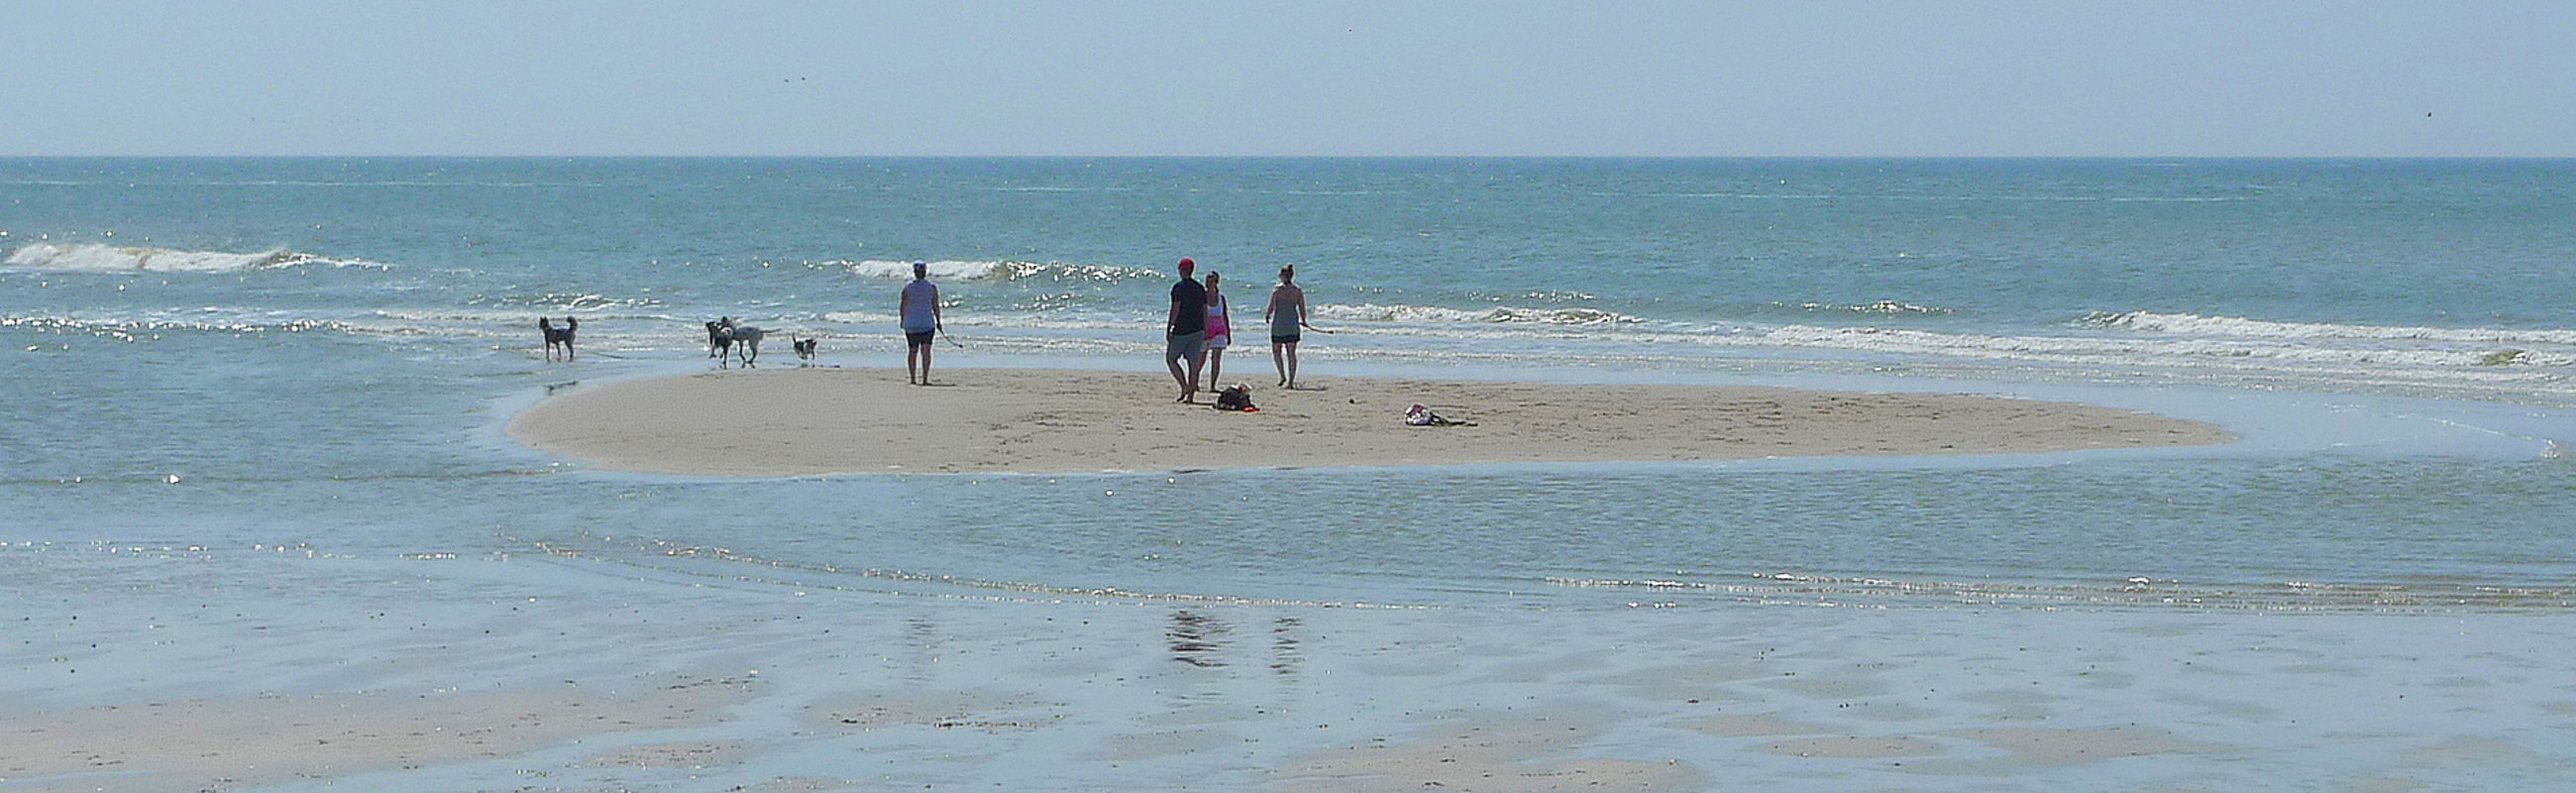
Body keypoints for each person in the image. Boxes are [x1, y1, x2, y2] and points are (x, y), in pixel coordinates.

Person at [1264, 264, 1316, 389]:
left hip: (1279, 324)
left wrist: (1267, 315)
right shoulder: (1297, 290)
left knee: (1277, 351)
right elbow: (1302, 308)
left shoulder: (1277, 290)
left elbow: (1272, 306)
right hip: (1292, 324)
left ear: (1282, 276)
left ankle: (1282, 375)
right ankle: (1291, 381)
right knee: (1291, 353)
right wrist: (1303, 320)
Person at [1164, 257, 1209, 401]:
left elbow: (1175, 309)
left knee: (1171, 359)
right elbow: (1204, 310)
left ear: (1182, 270)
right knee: (1193, 363)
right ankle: (1190, 395)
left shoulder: (1178, 288)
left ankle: (1184, 386)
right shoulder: (1200, 288)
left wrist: (1169, 327)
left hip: (1182, 330)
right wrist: (1205, 328)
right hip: (1198, 329)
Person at [899, 261, 941, 385]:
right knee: (926, 351)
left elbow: (903, 306)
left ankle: (912, 378)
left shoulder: (907, 287)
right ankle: (925, 379)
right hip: (927, 323)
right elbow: (935, 306)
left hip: (912, 324)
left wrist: (902, 320)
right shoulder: (932, 287)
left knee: (912, 351)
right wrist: (939, 321)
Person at [1202, 271, 1231, 388]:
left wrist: (1228, 333)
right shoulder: (1202, 297)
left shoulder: (1221, 298)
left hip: (1220, 330)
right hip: (1205, 330)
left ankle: (1213, 385)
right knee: (1201, 359)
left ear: (1216, 282)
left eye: (1211, 280)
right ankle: (1195, 381)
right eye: (1207, 280)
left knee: (1216, 357)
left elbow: (1225, 316)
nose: (1209, 283)